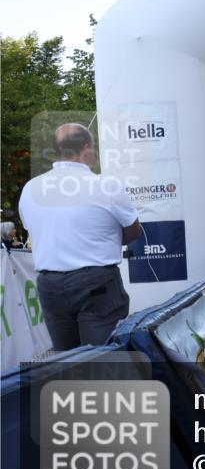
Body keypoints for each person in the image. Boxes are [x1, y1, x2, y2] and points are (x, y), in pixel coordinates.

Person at [18, 123, 141, 350]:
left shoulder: (30, 189)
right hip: (96, 283)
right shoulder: (106, 185)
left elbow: (35, 230)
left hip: (50, 285)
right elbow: (133, 230)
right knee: (102, 357)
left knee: (67, 359)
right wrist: (106, 240)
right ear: (86, 148)